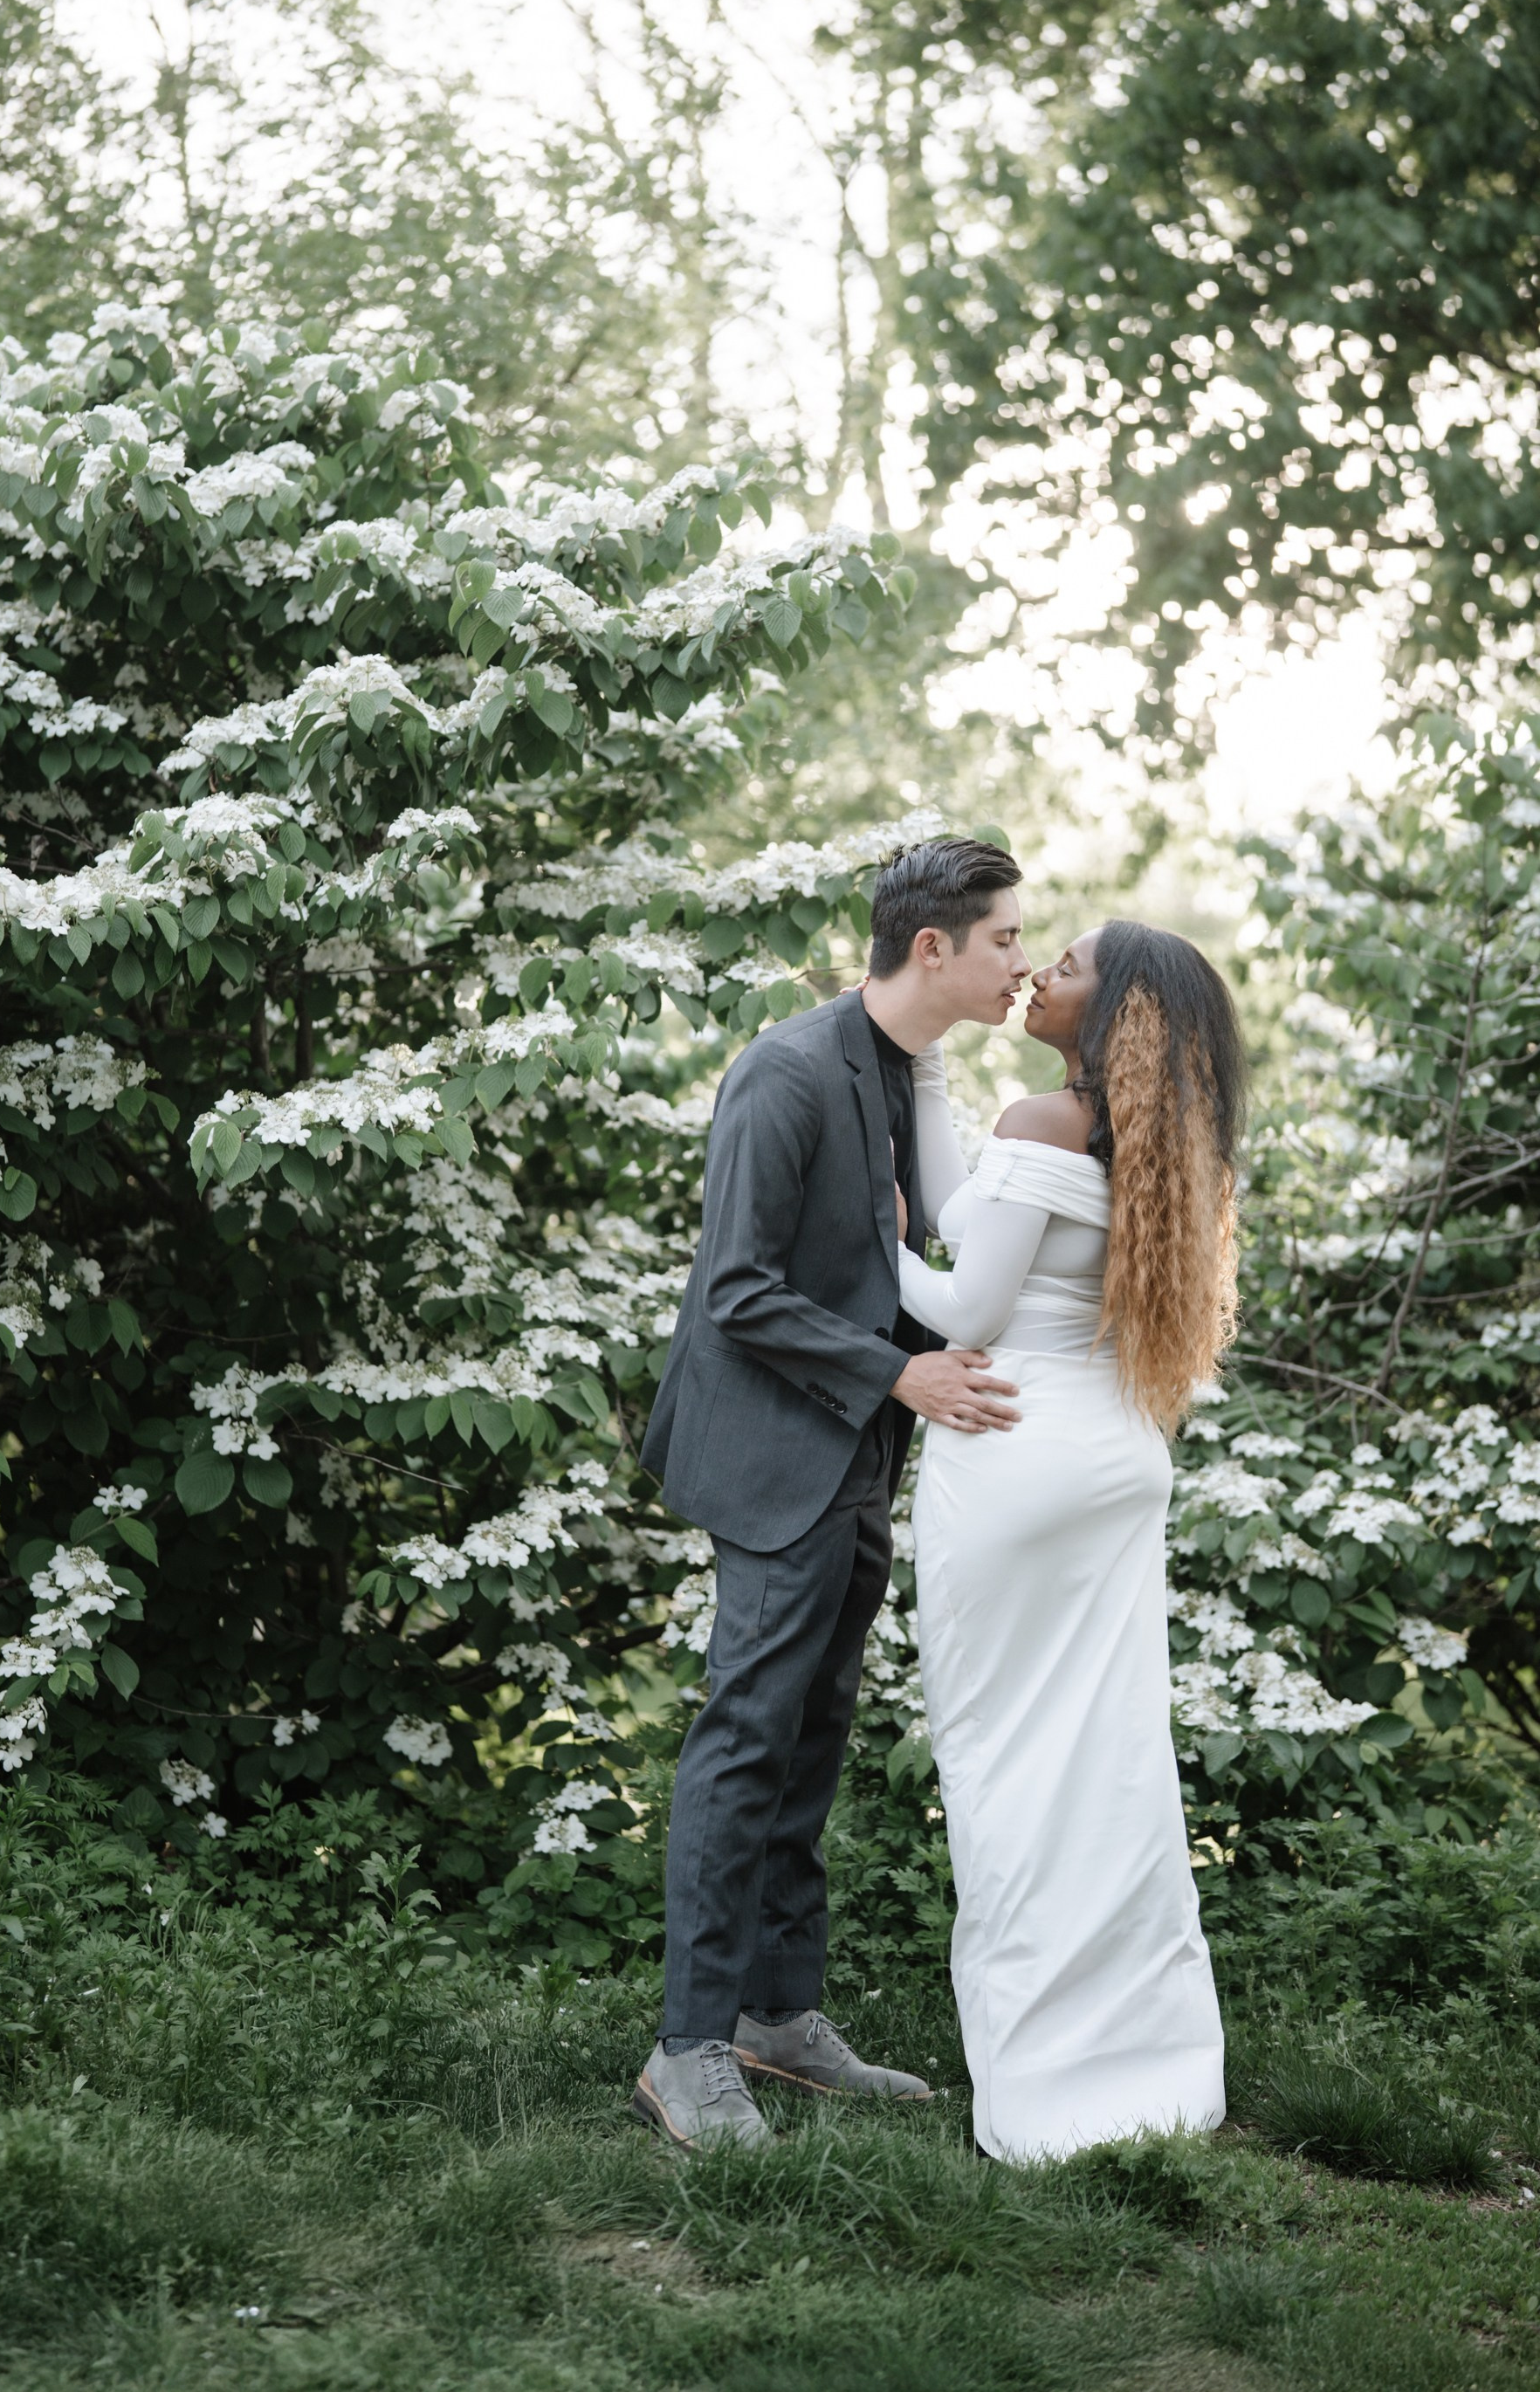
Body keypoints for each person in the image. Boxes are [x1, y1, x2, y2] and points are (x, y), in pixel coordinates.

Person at [631, 836, 1031, 2150]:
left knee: (813, 1743)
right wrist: (901, 1380)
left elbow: (899, 1262)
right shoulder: (788, 1073)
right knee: (747, 1740)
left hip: (856, 1454)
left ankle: (778, 2016)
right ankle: (689, 2048)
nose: (1020, 960)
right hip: (774, 1459)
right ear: (935, 949)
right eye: (1005, 939)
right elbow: (736, 1292)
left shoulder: (901, 1073)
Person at [897, 920, 1244, 2162]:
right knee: (1108, 1767)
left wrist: (874, 1244)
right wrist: (934, 1064)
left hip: (1013, 1448)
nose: (1043, 967)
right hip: (1111, 1459)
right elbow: (979, 1217)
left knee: (1005, 1764)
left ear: (1121, 1017)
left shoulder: (1040, 1123)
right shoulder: (1157, 1146)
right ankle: (1150, 2068)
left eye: (1076, 964)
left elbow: (964, 1303)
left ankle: (1050, 2091)